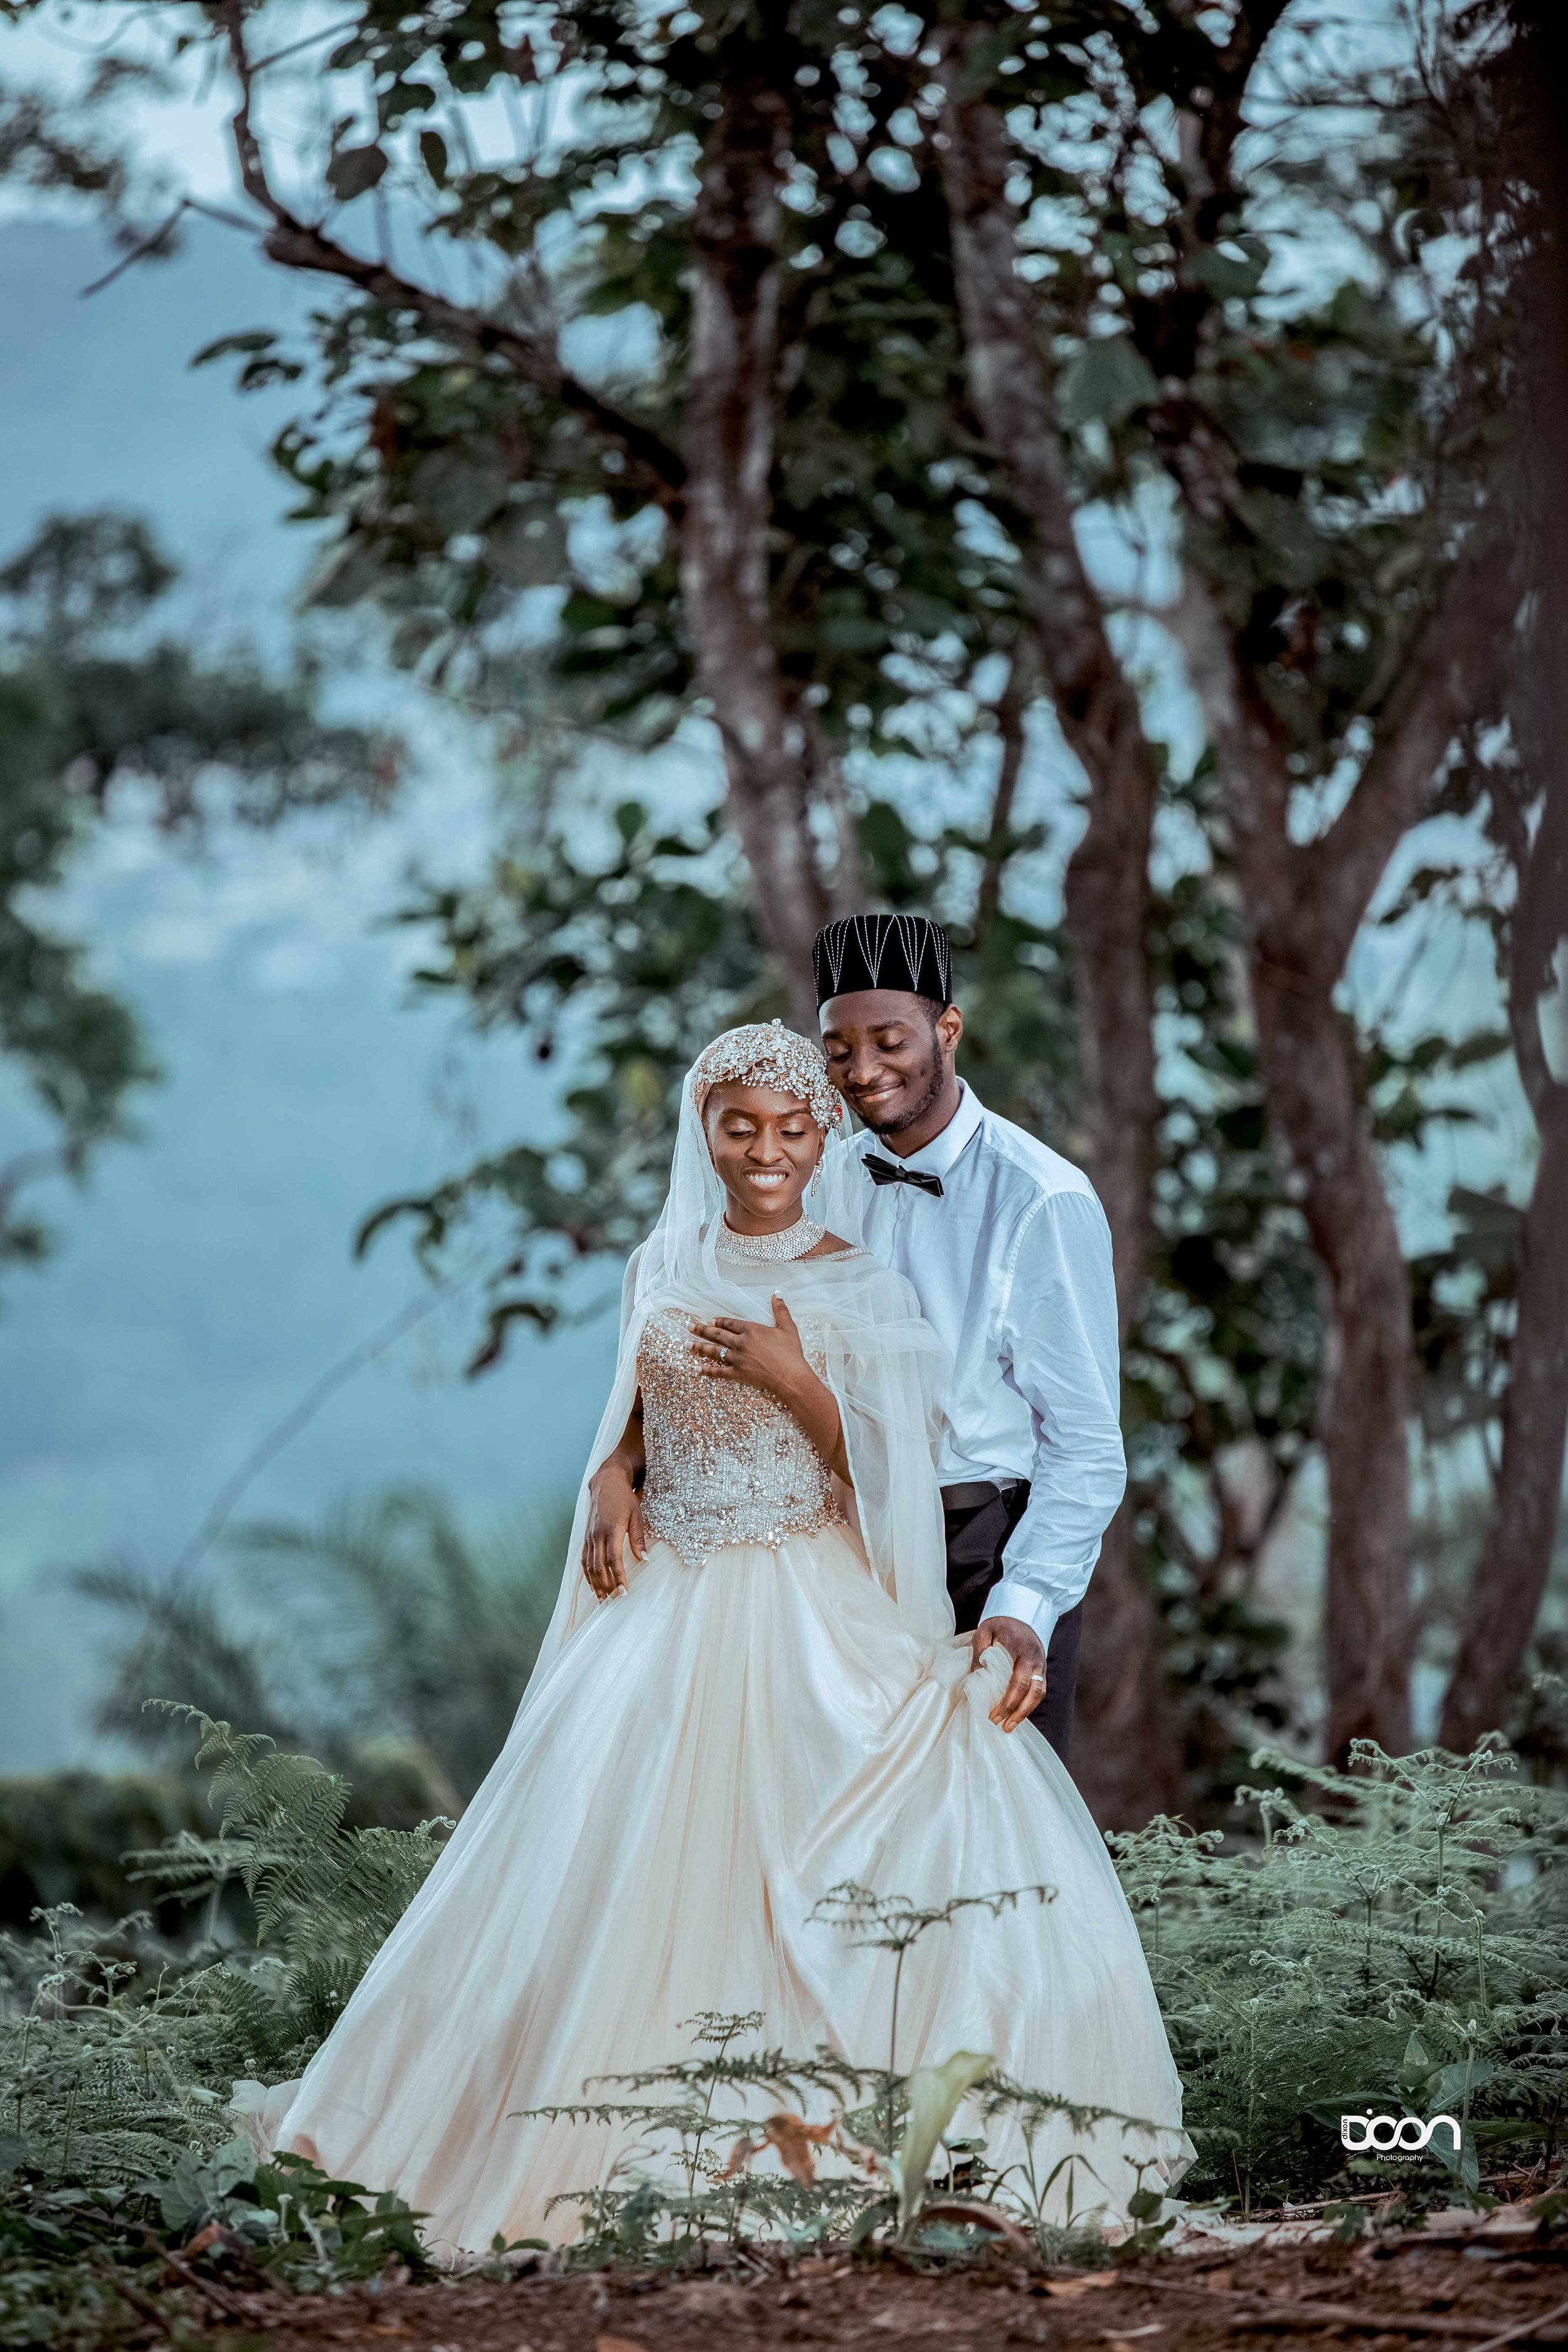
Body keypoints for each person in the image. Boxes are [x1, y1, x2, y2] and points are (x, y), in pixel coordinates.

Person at [236, 1025, 1186, 2255]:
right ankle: (581, 2122)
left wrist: (801, 1386)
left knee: (807, 1860)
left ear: (821, 1135)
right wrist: (613, 1484)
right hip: (672, 1606)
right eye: (739, 1127)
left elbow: (893, 1481)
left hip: (806, 1595)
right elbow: (633, 1411)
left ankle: (816, 2138)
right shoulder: (661, 1262)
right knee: (611, 1859)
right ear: (703, 1132)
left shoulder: (857, 1278)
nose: (766, 1152)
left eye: (793, 1129)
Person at [813, 914, 1125, 1762]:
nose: (863, 1071)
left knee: (995, 1853)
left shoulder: (1042, 1200)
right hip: (853, 1555)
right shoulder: (828, 1179)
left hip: (984, 1552)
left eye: (889, 1041)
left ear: (947, 1030)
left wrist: (1025, 1602)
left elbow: (1088, 1444)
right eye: (839, 1050)